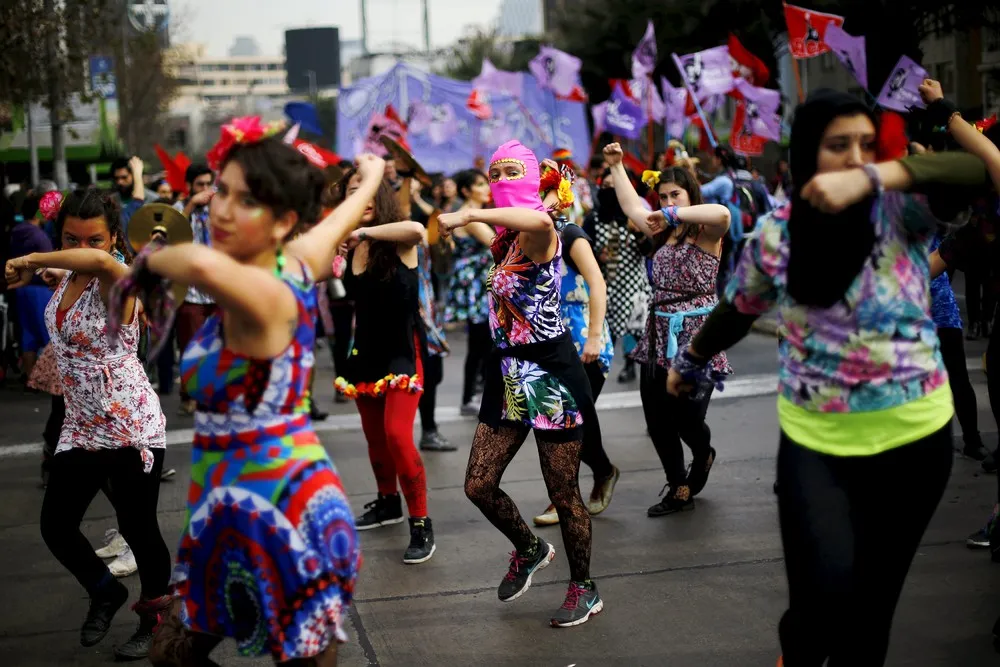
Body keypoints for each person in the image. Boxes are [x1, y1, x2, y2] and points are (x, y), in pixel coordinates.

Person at [668, 89, 988, 666]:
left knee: (868, 619)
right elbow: (739, 309)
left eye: (867, 144)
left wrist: (876, 177)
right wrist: (689, 361)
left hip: (916, 439)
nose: (855, 157)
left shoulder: (904, 209)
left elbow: (977, 170)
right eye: (839, 147)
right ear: (809, 156)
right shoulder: (778, 232)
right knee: (820, 604)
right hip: (818, 443)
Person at [110, 120, 377, 666]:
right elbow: (338, 220)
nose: (223, 209)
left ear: (282, 220)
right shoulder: (296, 256)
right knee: (174, 656)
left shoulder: (271, 289)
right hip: (222, 507)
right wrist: (369, 179)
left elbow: (200, 261)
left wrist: (147, 257)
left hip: (286, 508)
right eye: (222, 192)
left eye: (246, 200)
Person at [441, 140, 602, 628]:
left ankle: (584, 587)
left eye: (512, 169)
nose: (501, 176)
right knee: (478, 484)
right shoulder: (505, 239)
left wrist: (468, 212)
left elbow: (539, 221)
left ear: (533, 177)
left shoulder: (540, 230)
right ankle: (529, 549)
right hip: (508, 371)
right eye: (495, 171)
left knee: (564, 490)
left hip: (551, 372)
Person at [5, 188, 171, 661]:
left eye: (93, 239)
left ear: (114, 238)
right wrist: (47, 269)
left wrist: (33, 256)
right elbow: (77, 269)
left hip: (128, 425)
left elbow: (99, 267)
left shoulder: (117, 274)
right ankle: (105, 592)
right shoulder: (73, 274)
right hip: (80, 424)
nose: (82, 247)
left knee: (138, 529)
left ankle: (155, 622)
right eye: (71, 238)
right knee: (56, 526)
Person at [605, 144, 732, 516]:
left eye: (675, 194)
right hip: (658, 331)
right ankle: (678, 485)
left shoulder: (708, 231)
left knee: (689, 419)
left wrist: (672, 212)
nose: (666, 202)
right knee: (657, 418)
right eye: (662, 197)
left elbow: (722, 211)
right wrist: (617, 166)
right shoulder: (664, 230)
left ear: (690, 195)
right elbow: (631, 205)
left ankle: (703, 452)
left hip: (697, 336)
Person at [333, 167, 438, 564]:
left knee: (397, 436)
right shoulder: (350, 245)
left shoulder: (395, 238)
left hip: (402, 353)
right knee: (375, 439)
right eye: (352, 191)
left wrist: (363, 233)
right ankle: (386, 502)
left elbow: (417, 230)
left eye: (367, 190)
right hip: (364, 354)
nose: (360, 197)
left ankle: (421, 523)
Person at [533, 163, 619, 526]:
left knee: (571, 422)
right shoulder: (524, 238)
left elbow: (597, 285)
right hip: (546, 339)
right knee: (558, 422)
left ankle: (567, 494)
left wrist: (596, 336)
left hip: (584, 337)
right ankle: (598, 472)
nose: (537, 202)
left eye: (543, 194)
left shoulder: (571, 235)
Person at [443, 169, 495, 415]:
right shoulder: (469, 216)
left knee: (484, 342)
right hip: (475, 285)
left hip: (479, 281)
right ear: (466, 191)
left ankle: (478, 394)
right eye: (480, 184)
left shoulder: (474, 213)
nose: (487, 188)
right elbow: (496, 243)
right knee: (479, 343)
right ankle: (468, 398)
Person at [172, 163, 216, 415]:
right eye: (200, 184)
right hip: (190, 291)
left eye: (208, 184)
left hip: (216, 287)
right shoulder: (179, 209)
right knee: (191, 345)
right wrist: (190, 206)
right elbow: (173, 233)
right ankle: (188, 394)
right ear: (189, 186)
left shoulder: (218, 207)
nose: (205, 190)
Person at [110, 156, 156, 237]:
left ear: (134, 176)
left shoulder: (153, 199)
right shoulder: (111, 201)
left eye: (124, 177)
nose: (120, 182)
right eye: (117, 178)